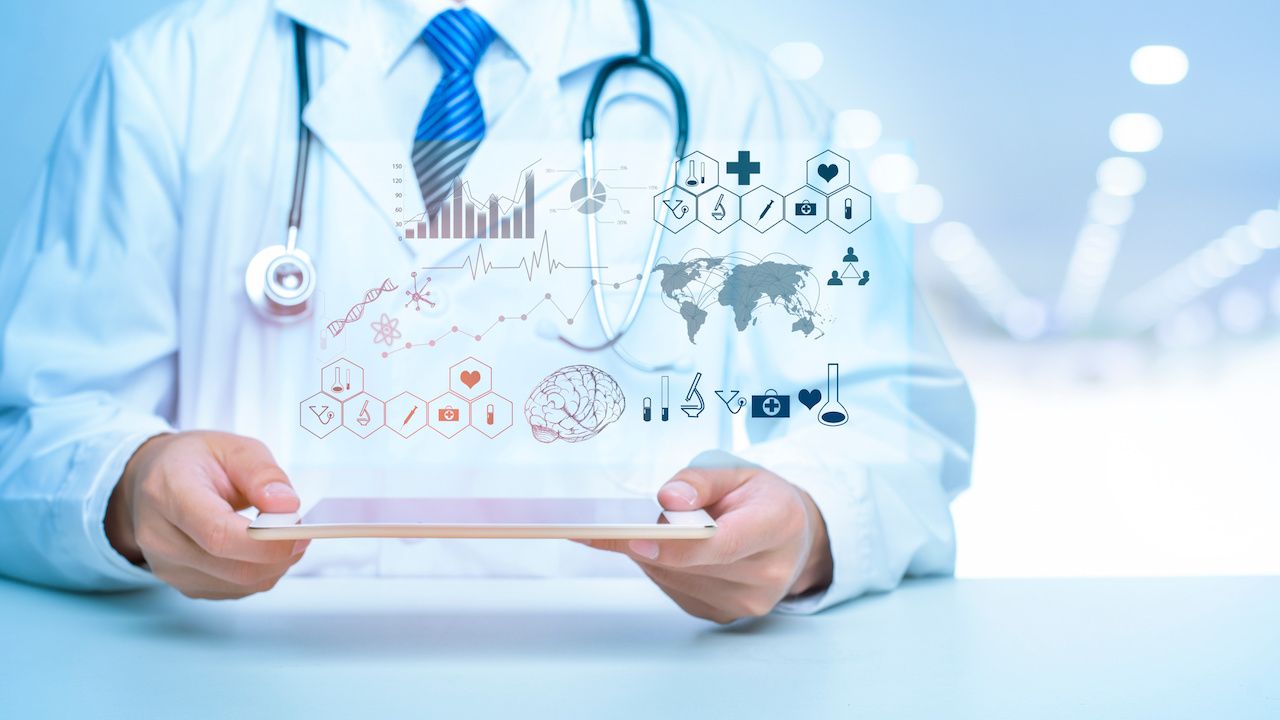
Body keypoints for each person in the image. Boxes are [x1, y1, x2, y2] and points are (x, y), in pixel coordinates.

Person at [0, 0, 973, 624]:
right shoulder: (169, 80)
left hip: (640, 679)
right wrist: (128, 489)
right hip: (251, 679)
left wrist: (805, 524)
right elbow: (29, 431)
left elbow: (895, 429)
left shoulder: (745, 100)